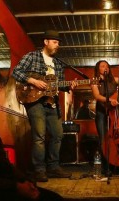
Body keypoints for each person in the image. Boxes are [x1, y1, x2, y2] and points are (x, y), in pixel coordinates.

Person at [12, 30, 77, 182]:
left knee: (57, 134)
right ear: (46, 42)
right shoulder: (32, 56)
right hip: (35, 102)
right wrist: (33, 81)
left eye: (58, 43)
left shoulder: (58, 64)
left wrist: (69, 87)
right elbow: (16, 72)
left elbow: (58, 86)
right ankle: (39, 170)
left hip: (52, 103)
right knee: (39, 136)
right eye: (55, 42)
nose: (57, 45)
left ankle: (53, 167)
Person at [90, 60, 119, 175]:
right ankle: (105, 166)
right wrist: (110, 100)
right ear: (98, 69)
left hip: (113, 112)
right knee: (103, 138)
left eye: (106, 66)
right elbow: (97, 96)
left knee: (114, 138)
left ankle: (115, 163)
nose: (105, 67)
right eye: (102, 66)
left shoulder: (113, 80)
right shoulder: (95, 81)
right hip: (101, 112)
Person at [0, 136, 63, 201]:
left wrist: (26, 180)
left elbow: (6, 165)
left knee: (54, 198)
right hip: (5, 189)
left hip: (10, 185)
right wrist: (16, 186)